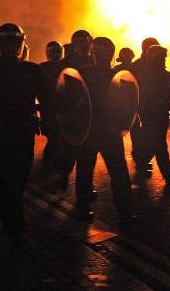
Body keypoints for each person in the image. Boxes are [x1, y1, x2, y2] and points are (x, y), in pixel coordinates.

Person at [0, 23, 54, 245]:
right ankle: (14, 224)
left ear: (20, 44)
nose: (10, 46)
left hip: (22, 132)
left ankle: (11, 215)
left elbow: (50, 98)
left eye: (14, 42)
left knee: (18, 179)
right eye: (5, 42)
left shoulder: (32, 70)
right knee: (4, 177)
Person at [75, 37, 137, 228]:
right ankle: (123, 211)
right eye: (100, 53)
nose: (103, 56)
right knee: (114, 172)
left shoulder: (113, 74)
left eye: (105, 53)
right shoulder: (94, 74)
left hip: (100, 130)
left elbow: (127, 103)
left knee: (92, 170)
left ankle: (86, 208)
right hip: (99, 130)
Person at [56, 29, 94, 191]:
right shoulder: (66, 63)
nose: (83, 45)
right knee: (71, 147)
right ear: (74, 44)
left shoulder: (92, 60)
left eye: (85, 42)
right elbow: (60, 87)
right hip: (72, 111)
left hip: (88, 109)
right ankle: (64, 173)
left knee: (86, 152)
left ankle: (85, 188)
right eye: (79, 42)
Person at [133, 45, 170, 185]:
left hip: (161, 113)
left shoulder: (165, 75)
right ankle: (166, 173)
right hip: (150, 113)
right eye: (160, 58)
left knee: (156, 142)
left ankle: (141, 161)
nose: (163, 60)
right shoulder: (145, 75)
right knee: (159, 143)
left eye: (163, 58)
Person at [128, 37, 160, 172]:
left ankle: (141, 156)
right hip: (141, 103)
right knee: (144, 132)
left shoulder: (138, 65)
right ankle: (141, 157)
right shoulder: (138, 66)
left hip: (148, 104)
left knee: (145, 132)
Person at [38, 41, 65, 168]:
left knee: (59, 135)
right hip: (48, 107)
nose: (56, 55)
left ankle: (52, 159)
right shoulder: (42, 68)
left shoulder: (66, 67)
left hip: (62, 107)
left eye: (58, 51)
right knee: (53, 135)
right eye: (53, 52)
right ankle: (50, 159)